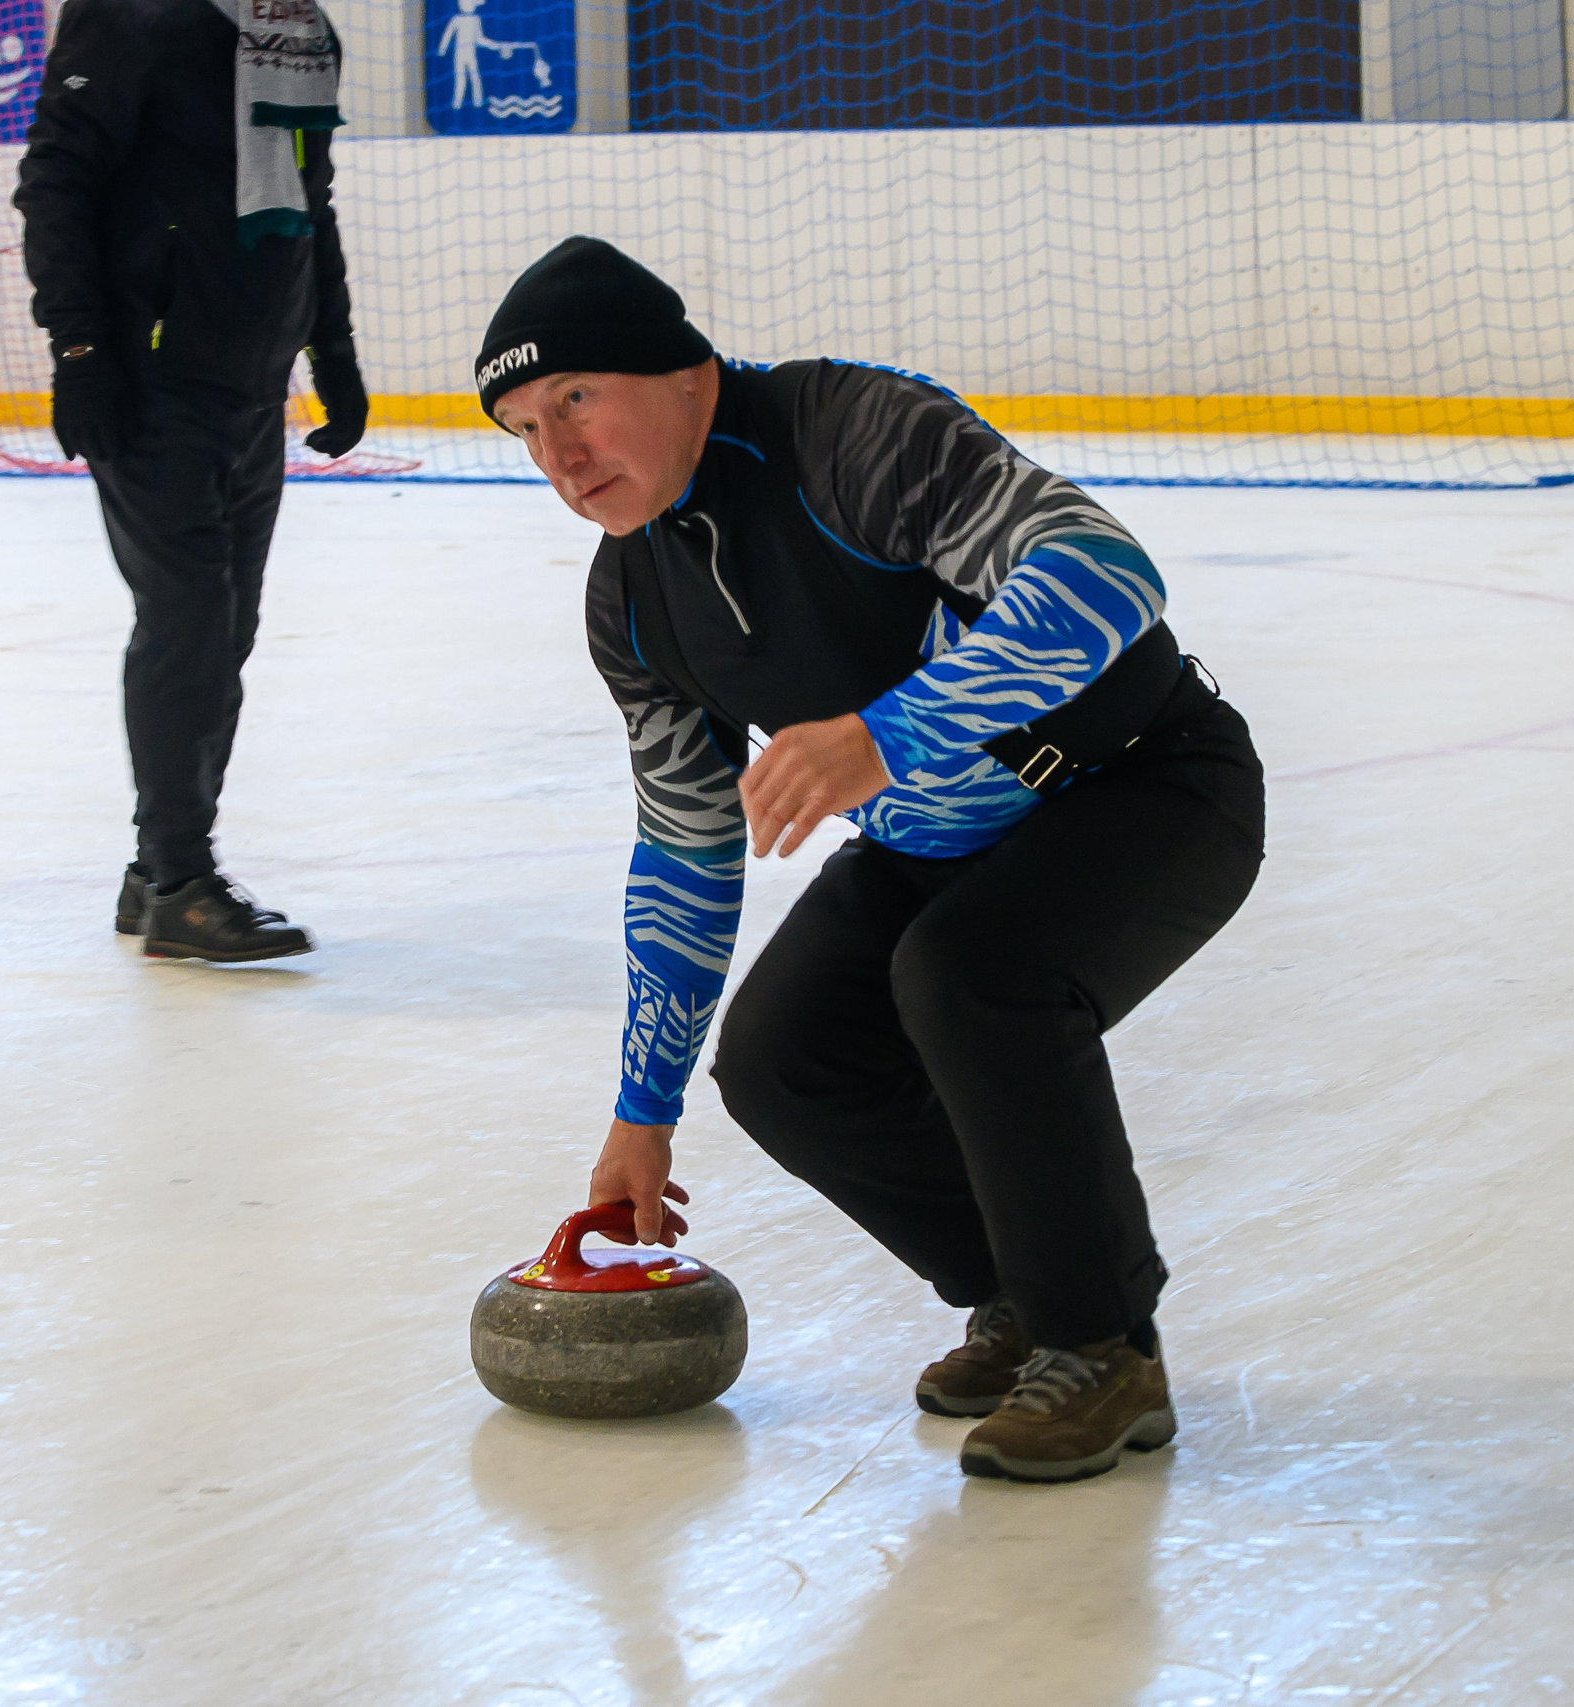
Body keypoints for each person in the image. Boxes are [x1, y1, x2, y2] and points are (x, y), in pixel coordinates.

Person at [479, 237, 1266, 1484]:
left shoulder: (843, 429)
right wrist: (640, 1114)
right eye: (524, 429)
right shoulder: (629, 600)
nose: (561, 459)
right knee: (785, 1059)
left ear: (683, 372)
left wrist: (888, 734)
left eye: (576, 399)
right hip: (935, 843)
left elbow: (1107, 574)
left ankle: (1100, 1345)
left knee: (968, 976)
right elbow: (684, 850)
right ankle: (1018, 1296)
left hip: (1143, 783)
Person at [16, 0, 368, 962]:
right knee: (188, 624)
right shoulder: (132, 14)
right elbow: (55, 178)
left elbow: (308, 198)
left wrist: (330, 350)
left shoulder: (297, 29)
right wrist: (81, 345)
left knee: (226, 630)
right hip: (150, 376)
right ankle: (179, 878)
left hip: (251, 382)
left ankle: (156, 869)